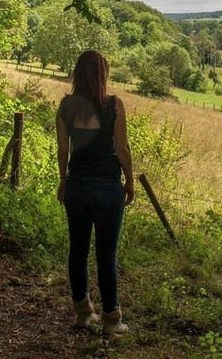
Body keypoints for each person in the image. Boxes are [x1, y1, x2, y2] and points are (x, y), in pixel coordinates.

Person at [56, 50, 135, 335]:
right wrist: (130, 182)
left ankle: (82, 313)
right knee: (106, 254)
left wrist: (63, 180)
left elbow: (63, 149)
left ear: (77, 73)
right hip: (107, 188)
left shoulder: (66, 106)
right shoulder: (114, 105)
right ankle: (112, 319)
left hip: (77, 186)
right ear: (103, 74)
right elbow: (122, 148)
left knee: (77, 251)